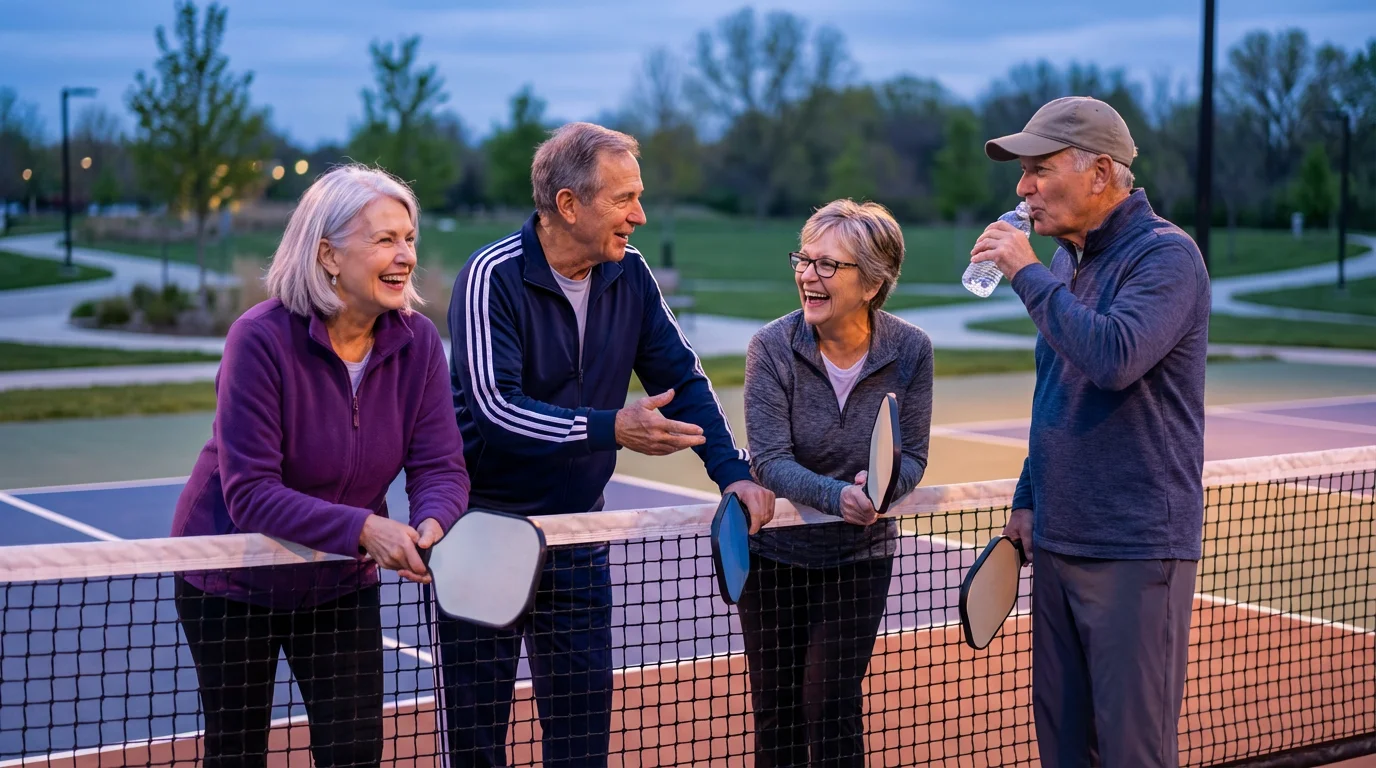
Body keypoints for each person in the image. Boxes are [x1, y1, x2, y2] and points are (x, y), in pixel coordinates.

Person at [438, 121, 777, 768]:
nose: (639, 216)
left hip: (576, 539)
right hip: (482, 534)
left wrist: (731, 472)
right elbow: (495, 411)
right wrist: (609, 428)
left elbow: (681, 378)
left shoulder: (630, 276)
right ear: (568, 205)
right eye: (624, 199)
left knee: (581, 744)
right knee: (478, 747)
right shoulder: (490, 277)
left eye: (638, 197)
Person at [169, 164, 471, 768]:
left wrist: (433, 522)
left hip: (338, 581)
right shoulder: (258, 339)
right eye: (384, 239)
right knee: (236, 754)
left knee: (354, 752)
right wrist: (364, 529)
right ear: (328, 254)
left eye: (409, 238)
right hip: (233, 578)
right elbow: (251, 493)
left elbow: (441, 466)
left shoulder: (418, 347)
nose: (405, 255)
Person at [970, 96, 1210, 766]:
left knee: (1130, 753)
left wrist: (1022, 273)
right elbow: (1057, 387)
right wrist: (1027, 496)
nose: (1022, 189)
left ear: (1100, 174)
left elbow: (1113, 357)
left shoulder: (1166, 258)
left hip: (1133, 548)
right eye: (1023, 174)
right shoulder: (1066, 262)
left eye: (1039, 169)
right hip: (1058, 541)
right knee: (1066, 749)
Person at [740, 199, 933, 768]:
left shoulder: (910, 350)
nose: (808, 274)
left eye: (828, 265)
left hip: (858, 557)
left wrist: (883, 489)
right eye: (805, 259)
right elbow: (769, 462)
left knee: (831, 704)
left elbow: (914, 456)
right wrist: (837, 495)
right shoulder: (771, 347)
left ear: (872, 284)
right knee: (777, 709)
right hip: (774, 558)